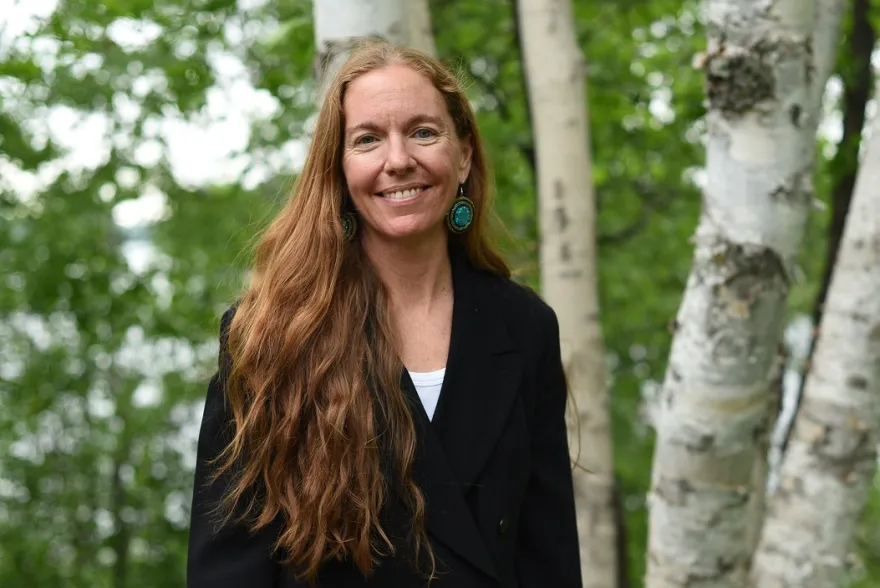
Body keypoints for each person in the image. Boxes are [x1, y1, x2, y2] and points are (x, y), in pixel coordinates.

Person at [187, 41, 582, 588]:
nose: (398, 160)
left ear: (464, 154)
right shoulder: (270, 336)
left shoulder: (526, 327)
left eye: (423, 132)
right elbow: (226, 570)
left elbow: (550, 556)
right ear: (340, 168)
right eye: (368, 139)